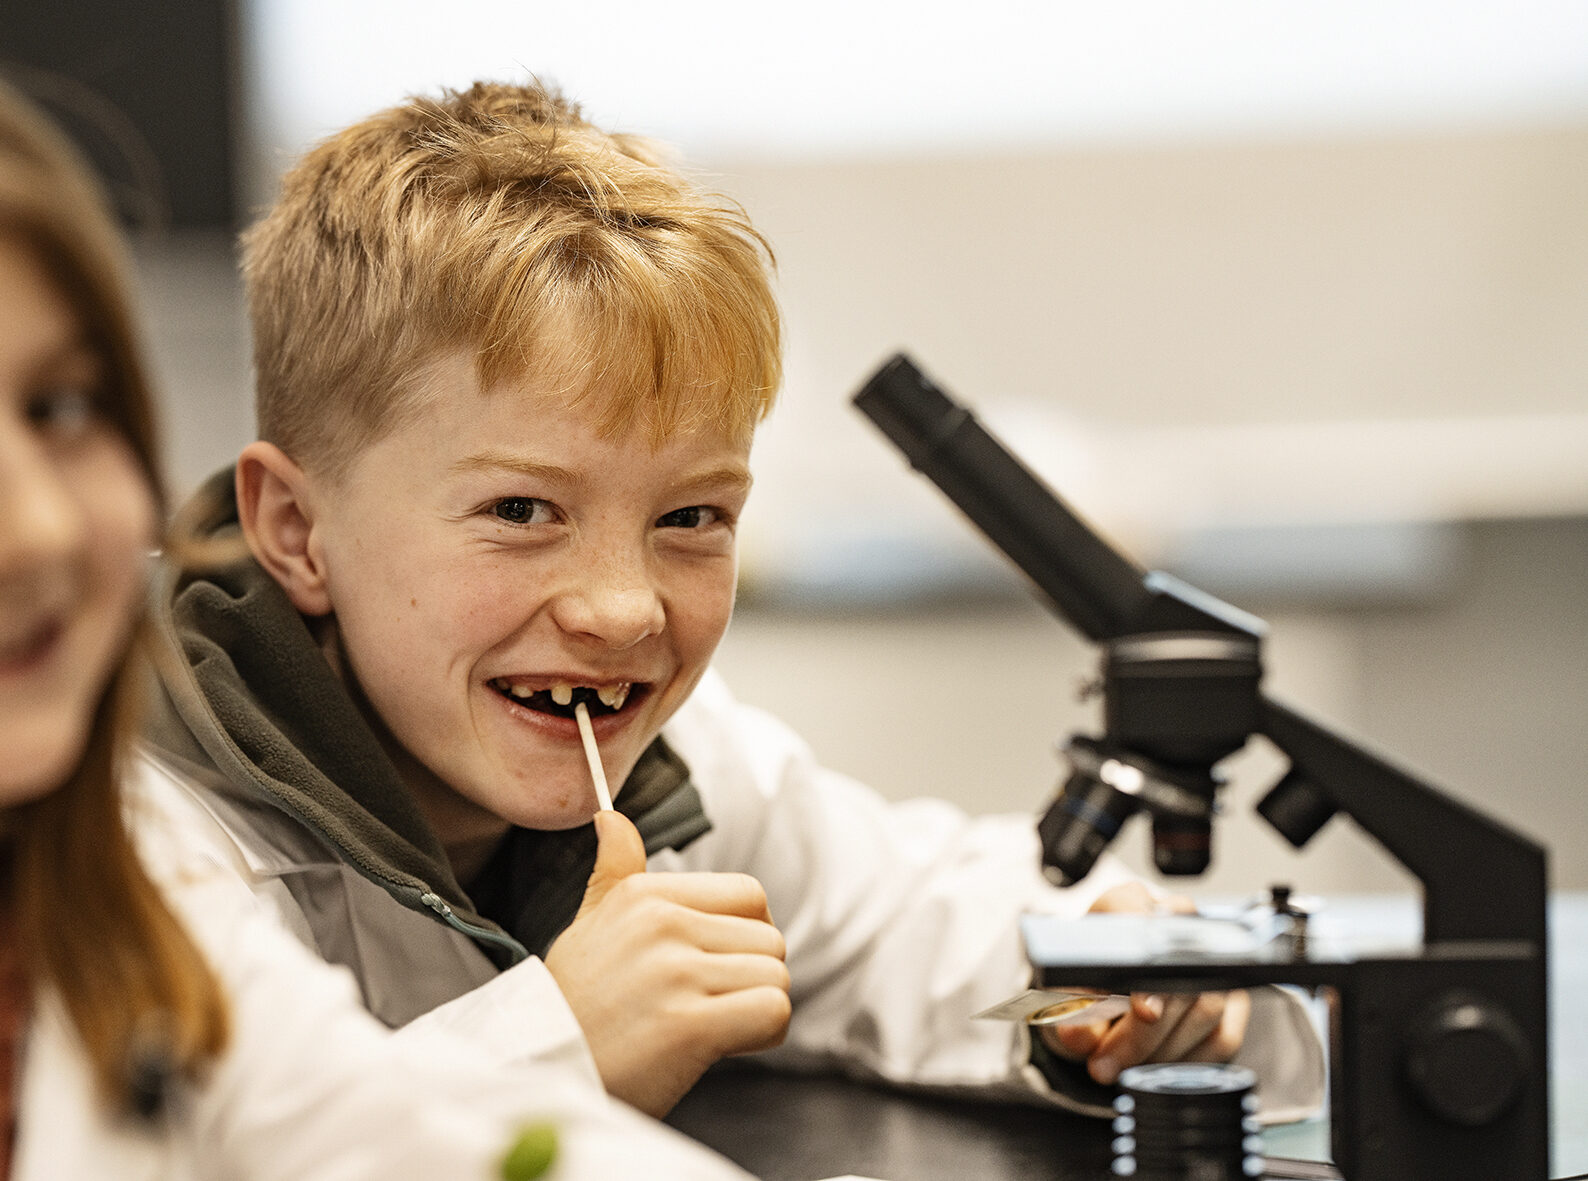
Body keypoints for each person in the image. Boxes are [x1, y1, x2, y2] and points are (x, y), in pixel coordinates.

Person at [137, 81, 1324, 1125]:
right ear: (295, 531)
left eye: (690, 518)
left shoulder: (675, 778)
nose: (621, 609)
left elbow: (921, 927)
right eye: (519, 511)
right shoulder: (138, 835)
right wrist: (559, 1044)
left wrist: (1108, 987)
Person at [0, 12, 765, 1179]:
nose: (35, 527)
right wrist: (561, 1034)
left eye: (60, 408)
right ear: (291, 530)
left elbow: (399, 1142)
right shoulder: (161, 826)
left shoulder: (86, 897)